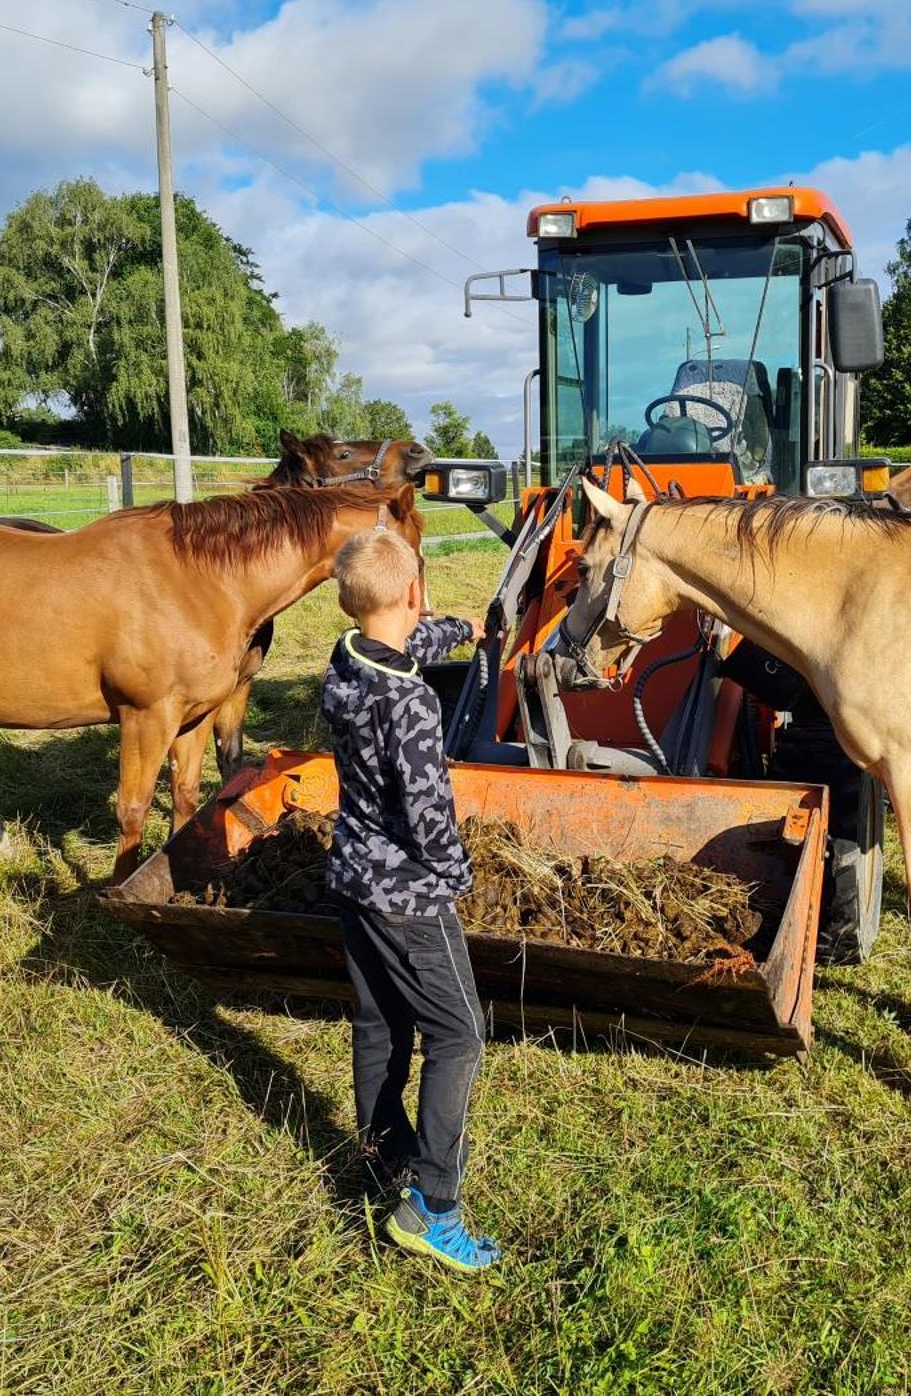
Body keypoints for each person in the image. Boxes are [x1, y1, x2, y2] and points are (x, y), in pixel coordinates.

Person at [320, 528, 501, 1273]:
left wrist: (467, 628)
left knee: (379, 1022)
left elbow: (402, 640)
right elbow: (429, 817)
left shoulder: (341, 662)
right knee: (460, 1033)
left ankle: (380, 1155)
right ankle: (432, 1205)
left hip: (353, 877)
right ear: (412, 591)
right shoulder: (413, 703)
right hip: (409, 897)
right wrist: (459, 878)